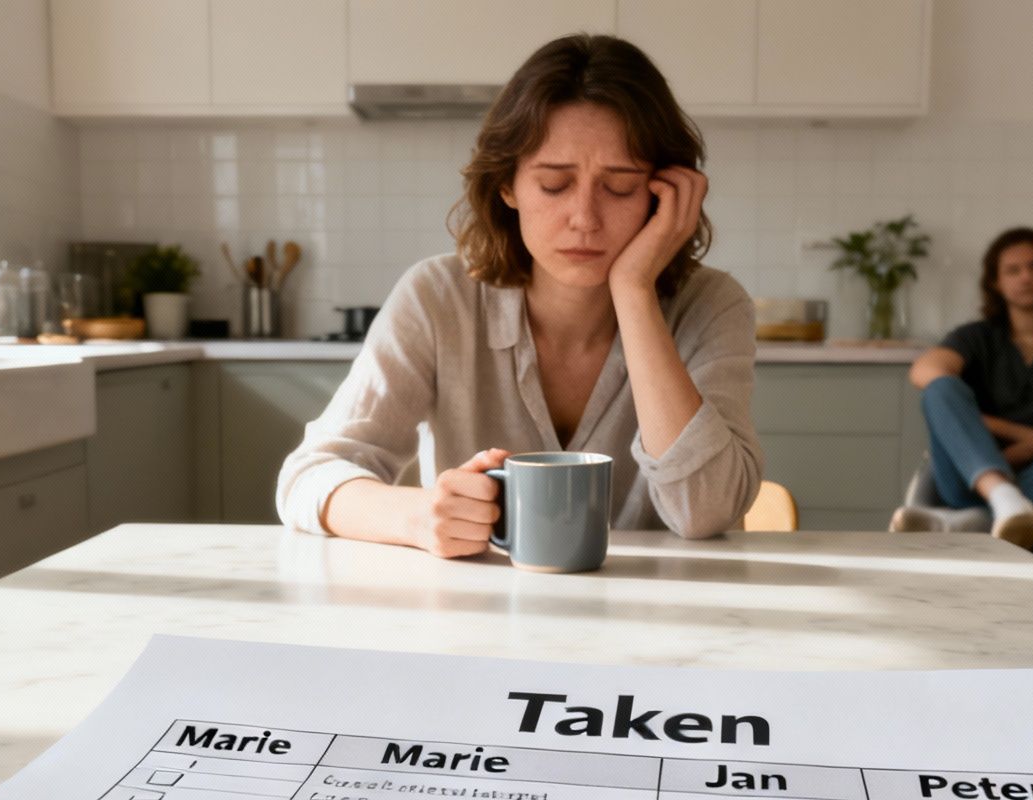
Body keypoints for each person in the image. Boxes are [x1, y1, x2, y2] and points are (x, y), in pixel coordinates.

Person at [276, 35, 762, 556]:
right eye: (554, 184)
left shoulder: (712, 305)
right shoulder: (437, 298)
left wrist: (634, 290)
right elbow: (307, 478)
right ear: (507, 185)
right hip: (479, 604)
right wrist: (419, 517)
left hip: (661, 604)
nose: (585, 219)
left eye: (620, 187)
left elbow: (705, 511)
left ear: (663, 193)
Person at [895, 227, 1033, 546]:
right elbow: (924, 371)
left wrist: (1012, 450)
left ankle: (972, 522)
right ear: (995, 282)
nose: (1026, 277)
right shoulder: (975, 337)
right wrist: (991, 458)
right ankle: (1000, 497)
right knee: (940, 388)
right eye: (1013, 270)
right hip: (971, 478)